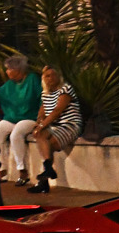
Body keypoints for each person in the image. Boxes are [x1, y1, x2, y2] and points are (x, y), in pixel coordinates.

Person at [27, 65, 83, 194]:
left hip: (70, 125)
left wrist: (42, 125)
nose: (50, 78)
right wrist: (39, 123)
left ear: (59, 77)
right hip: (55, 126)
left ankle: (44, 181)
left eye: (53, 75)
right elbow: (42, 111)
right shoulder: (45, 93)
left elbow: (57, 111)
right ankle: (47, 171)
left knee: (48, 145)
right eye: (47, 76)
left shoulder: (65, 89)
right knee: (40, 136)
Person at [0, 55, 41, 186]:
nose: (7, 72)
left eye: (9, 69)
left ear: (18, 69)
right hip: (12, 118)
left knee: (16, 134)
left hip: (30, 117)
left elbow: (41, 97)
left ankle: (22, 170)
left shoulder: (32, 79)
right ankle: (0, 170)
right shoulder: (9, 84)